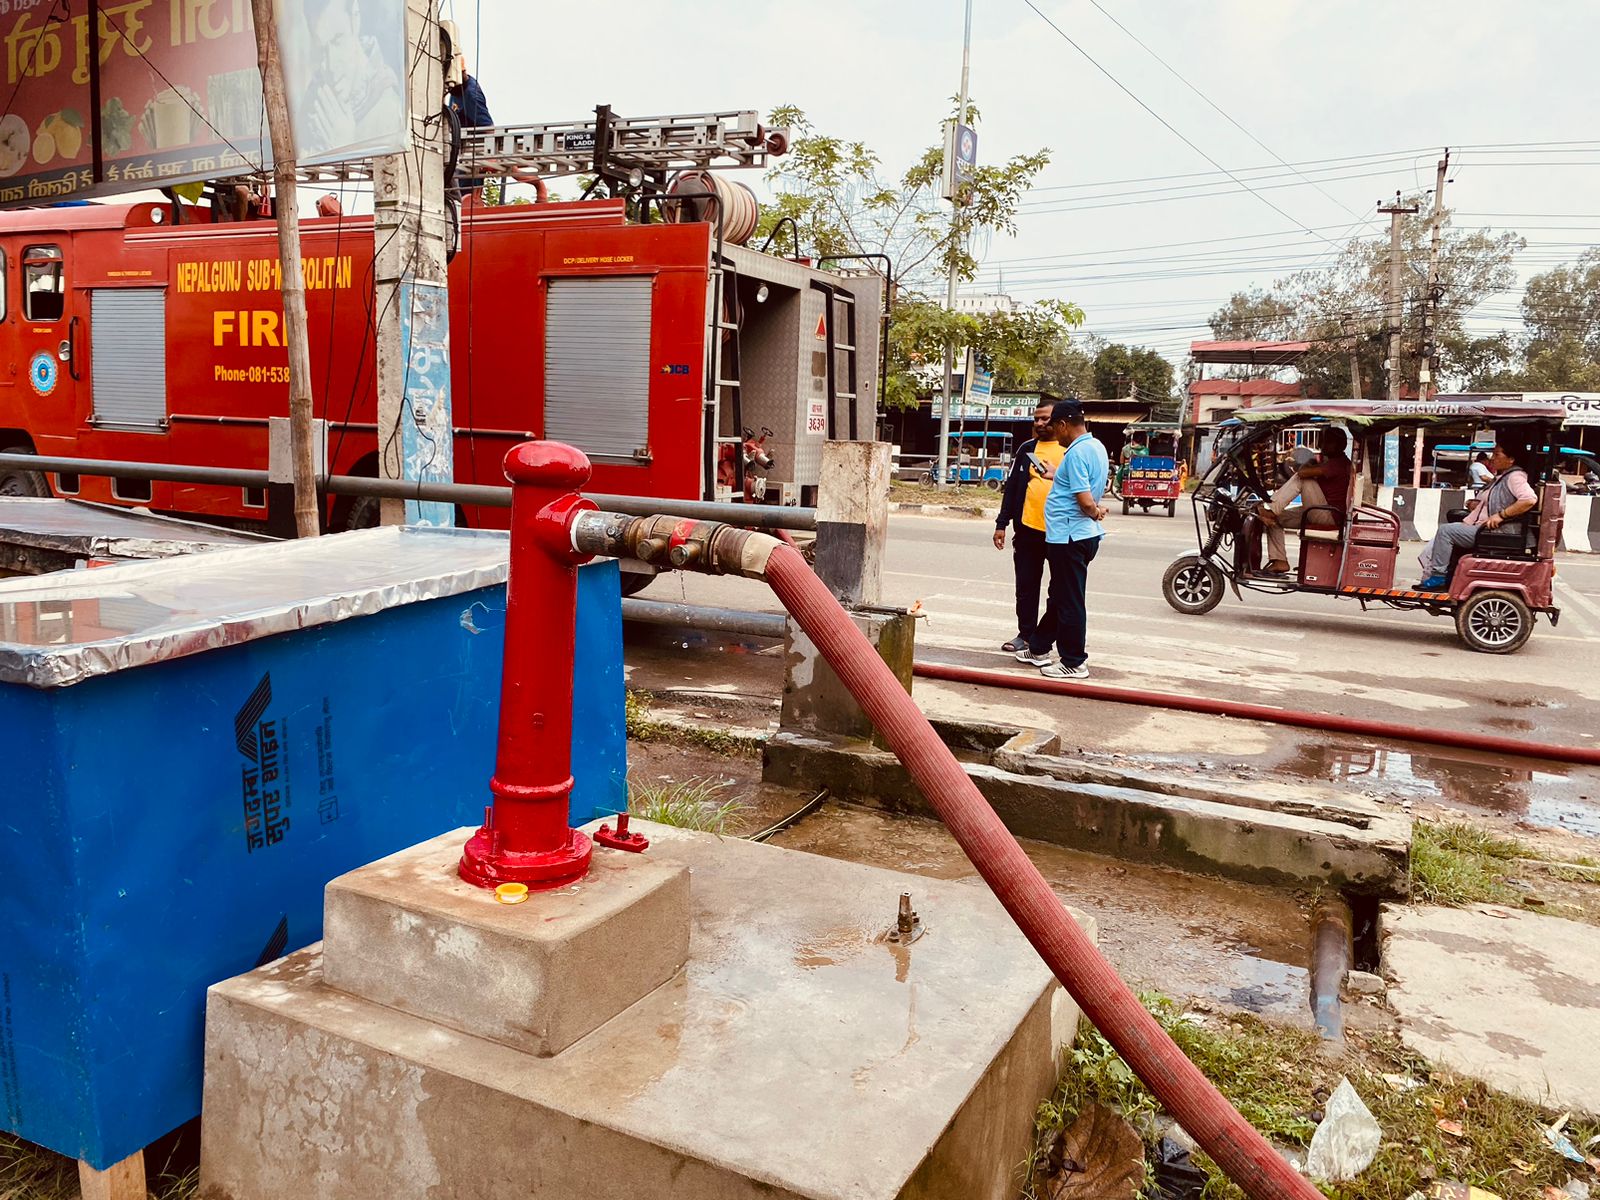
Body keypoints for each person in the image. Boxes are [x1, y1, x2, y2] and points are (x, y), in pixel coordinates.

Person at [1016, 399, 1109, 679]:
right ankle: (1040, 646)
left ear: (1064, 425)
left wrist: (1095, 512)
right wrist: (1056, 474)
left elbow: (1084, 500)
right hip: (1075, 536)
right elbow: (1079, 482)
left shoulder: (1076, 452)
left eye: (1056, 427)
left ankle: (1074, 661)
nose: (1055, 434)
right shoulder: (1095, 447)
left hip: (1070, 535)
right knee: (1059, 596)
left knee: (1069, 601)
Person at [993, 400, 1065, 654]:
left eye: (1045, 419)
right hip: (1027, 530)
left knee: (1059, 590)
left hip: (1060, 532)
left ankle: (1046, 639)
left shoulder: (1070, 449)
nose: (1039, 423)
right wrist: (1002, 524)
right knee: (1026, 586)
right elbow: (1011, 488)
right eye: (1036, 419)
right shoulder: (1026, 448)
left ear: (1060, 421)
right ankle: (1025, 634)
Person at [1416, 439, 1538, 590]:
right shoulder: (1502, 477)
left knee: (1445, 531)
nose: (1492, 458)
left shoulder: (1515, 476)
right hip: (1484, 527)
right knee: (1448, 527)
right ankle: (1446, 573)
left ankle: (1438, 577)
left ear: (1511, 459)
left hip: (1496, 532)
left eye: (1497, 454)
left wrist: (1501, 515)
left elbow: (1529, 499)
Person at [1256, 427, 1353, 575]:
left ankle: (1271, 508)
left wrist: (1309, 462)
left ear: (1339, 445)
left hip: (1329, 515)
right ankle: (1279, 561)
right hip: (1321, 511)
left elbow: (1302, 473)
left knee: (1302, 479)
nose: (1322, 445)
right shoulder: (1331, 462)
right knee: (1275, 520)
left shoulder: (1337, 464)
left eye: (1327, 442)